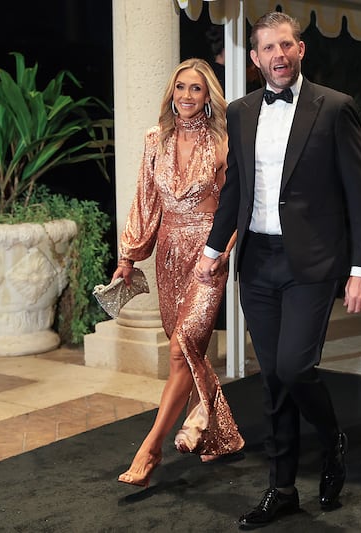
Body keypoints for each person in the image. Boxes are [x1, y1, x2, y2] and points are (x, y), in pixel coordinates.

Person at [195, 11, 361, 529]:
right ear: (254, 59)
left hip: (312, 264)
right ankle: (281, 489)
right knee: (273, 379)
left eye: (285, 45)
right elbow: (235, 190)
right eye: (267, 49)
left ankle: (331, 438)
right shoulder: (240, 112)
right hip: (257, 264)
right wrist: (213, 253)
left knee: (296, 367)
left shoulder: (335, 108)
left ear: (300, 50)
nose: (277, 56)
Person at [114, 58, 244, 488]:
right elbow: (146, 199)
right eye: (181, 87)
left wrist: (222, 252)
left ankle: (150, 448)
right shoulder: (156, 139)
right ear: (172, 92)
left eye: (197, 89)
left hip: (208, 255)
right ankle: (221, 434)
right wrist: (128, 257)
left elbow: (236, 203)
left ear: (209, 97)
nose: (187, 96)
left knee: (180, 348)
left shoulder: (224, 141)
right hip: (168, 252)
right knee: (185, 351)